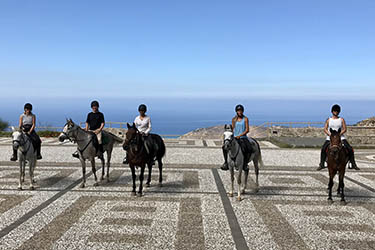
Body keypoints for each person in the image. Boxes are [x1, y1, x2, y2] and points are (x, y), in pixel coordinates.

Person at [316, 104, 360, 171]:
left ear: (338, 112)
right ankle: (322, 164)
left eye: (337, 111)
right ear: (332, 111)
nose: (336, 112)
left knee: (350, 149)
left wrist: (339, 134)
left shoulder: (341, 120)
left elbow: (345, 129)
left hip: (340, 137)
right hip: (330, 138)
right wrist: (330, 134)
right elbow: (325, 129)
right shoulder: (328, 120)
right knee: (323, 149)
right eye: (334, 111)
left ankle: (353, 164)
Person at [221, 104, 252, 171]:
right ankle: (226, 163)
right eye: (238, 111)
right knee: (224, 147)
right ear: (236, 111)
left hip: (243, 137)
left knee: (248, 148)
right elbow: (233, 129)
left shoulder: (245, 119)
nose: (239, 112)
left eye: (240, 111)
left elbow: (247, 130)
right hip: (235, 137)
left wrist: (240, 135)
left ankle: (245, 164)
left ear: (242, 111)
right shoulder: (234, 119)